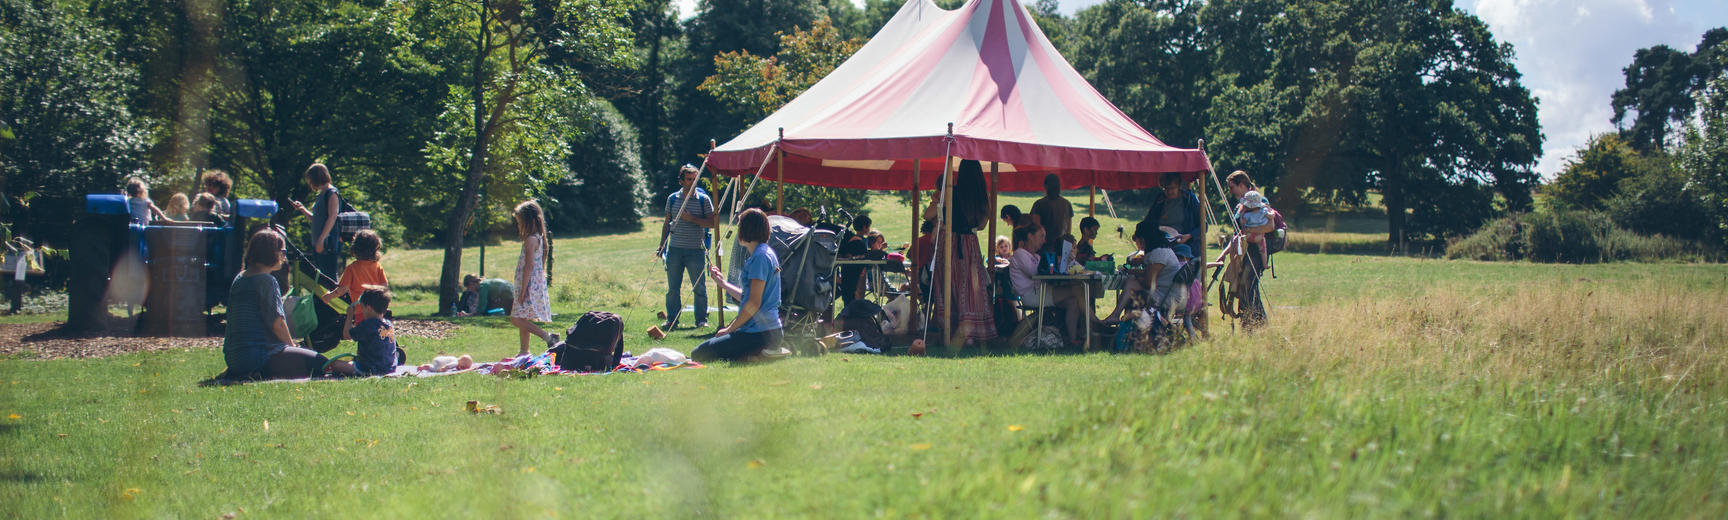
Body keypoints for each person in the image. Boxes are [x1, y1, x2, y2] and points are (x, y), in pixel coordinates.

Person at [222, 229, 325, 380]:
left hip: (234, 358)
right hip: (260, 355)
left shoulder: (240, 278)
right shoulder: (266, 281)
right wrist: (291, 346)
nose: (284, 256)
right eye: (282, 251)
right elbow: (277, 323)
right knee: (320, 362)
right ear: (270, 252)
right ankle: (357, 370)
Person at [695, 208, 784, 361]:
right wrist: (723, 283)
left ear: (747, 230)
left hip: (760, 334)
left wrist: (730, 329)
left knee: (699, 354)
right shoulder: (764, 252)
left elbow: (754, 303)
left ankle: (754, 355)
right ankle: (751, 356)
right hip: (768, 331)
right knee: (707, 349)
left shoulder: (760, 258)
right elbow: (748, 297)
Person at [923, 160, 996, 343]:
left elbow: (927, 215)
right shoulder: (982, 197)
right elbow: (981, 225)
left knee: (950, 285)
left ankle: (953, 329)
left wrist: (937, 199)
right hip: (970, 244)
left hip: (950, 243)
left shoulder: (950, 192)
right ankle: (973, 332)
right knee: (971, 288)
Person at [656, 164, 716, 330]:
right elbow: (667, 223)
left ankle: (701, 320)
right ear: (681, 181)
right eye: (689, 179)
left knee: (699, 287)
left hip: (696, 249)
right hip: (675, 249)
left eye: (695, 179)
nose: (692, 182)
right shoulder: (673, 199)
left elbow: (713, 223)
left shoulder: (704, 200)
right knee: (673, 288)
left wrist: (692, 219)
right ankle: (672, 320)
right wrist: (662, 245)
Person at [1008, 223, 1088, 347]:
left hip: (1040, 291)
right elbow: (1034, 272)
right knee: (1077, 290)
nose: (1044, 241)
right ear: (1030, 236)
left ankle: (1072, 340)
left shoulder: (1036, 256)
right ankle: (1095, 324)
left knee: (1072, 301)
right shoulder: (1020, 254)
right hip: (1031, 295)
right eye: (1041, 236)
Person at [509, 200, 558, 356]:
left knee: (516, 319)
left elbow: (528, 266)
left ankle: (548, 337)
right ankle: (524, 351)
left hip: (528, 284)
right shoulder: (538, 237)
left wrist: (523, 291)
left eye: (520, 222)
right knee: (523, 317)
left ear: (528, 221)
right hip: (532, 283)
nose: (519, 225)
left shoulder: (531, 239)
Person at [322, 229, 388, 340]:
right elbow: (384, 287)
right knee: (377, 335)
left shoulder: (352, 268)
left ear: (355, 249)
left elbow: (343, 289)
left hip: (361, 310)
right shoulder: (377, 266)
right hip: (378, 309)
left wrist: (329, 296)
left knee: (363, 337)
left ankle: (365, 355)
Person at [324, 288, 399, 377]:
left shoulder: (368, 324)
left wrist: (349, 316)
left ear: (368, 308)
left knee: (335, 364)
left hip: (369, 368)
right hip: (389, 368)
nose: (362, 311)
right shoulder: (389, 324)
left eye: (362, 308)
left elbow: (347, 335)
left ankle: (357, 371)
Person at [290, 163, 342, 279]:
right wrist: (302, 209)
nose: (309, 183)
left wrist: (321, 240)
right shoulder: (321, 194)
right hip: (318, 241)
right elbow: (315, 219)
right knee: (320, 277)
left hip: (327, 243)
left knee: (329, 277)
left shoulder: (331, 193)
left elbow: (332, 217)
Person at [1029, 173, 1074, 254]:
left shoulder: (1039, 204)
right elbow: (1068, 229)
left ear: (1045, 186)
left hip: (1043, 247)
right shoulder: (1067, 204)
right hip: (1062, 246)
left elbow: (1036, 227)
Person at [838, 213, 874, 303]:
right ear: (865, 227)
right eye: (869, 227)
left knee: (849, 297)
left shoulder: (851, 239)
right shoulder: (858, 241)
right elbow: (861, 257)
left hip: (847, 272)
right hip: (857, 273)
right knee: (856, 296)